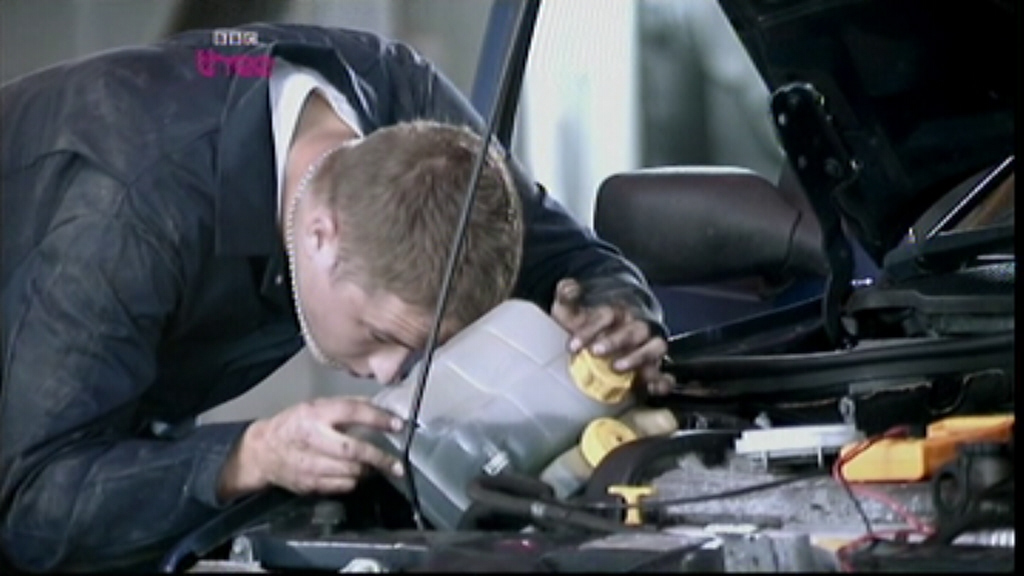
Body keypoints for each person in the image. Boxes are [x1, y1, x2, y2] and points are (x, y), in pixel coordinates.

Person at [0, 22, 674, 572]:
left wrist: (614, 313)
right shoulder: (129, 216)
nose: (393, 374)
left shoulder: (414, 126)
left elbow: (573, 260)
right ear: (320, 234)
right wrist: (249, 455)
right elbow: (33, 506)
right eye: (384, 335)